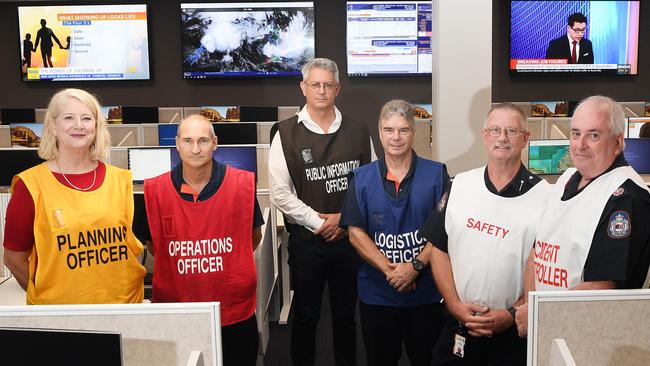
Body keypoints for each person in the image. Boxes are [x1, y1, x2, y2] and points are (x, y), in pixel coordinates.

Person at [419, 103, 551, 365]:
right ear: (484, 136)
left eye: (512, 131)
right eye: (495, 130)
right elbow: (438, 249)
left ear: (525, 139)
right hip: (458, 328)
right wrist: (455, 305)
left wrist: (512, 314)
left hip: (512, 337)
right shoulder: (459, 185)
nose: (502, 137)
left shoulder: (546, 197)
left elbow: (544, 267)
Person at [268, 57, 375, 366]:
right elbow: (280, 193)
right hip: (307, 242)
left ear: (337, 88)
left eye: (328, 85)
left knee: (345, 315)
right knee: (305, 315)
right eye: (315, 84)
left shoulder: (358, 130)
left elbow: (368, 184)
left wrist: (344, 219)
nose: (322, 91)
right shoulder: (284, 133)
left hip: (349, 238)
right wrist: (318, 221)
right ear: (303, 88)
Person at [515, 96, 650, 337]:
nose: (581, 144)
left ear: (618, 142)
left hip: (587, 338)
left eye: (594, 135)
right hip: (546, 330)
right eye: (576, 133)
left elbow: (602, 288)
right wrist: (529, 305)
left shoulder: (626, 198)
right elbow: (537, 253)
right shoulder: (566, 179)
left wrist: (537, 313)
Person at [2, 88, 146, 304]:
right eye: (68, 117)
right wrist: (48, 296)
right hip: (63, 317)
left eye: (87, 118)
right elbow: (14, 259)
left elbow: (132, 249)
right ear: (52, 126)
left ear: (96, 126)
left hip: (123, 308)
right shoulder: (30, 185)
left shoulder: (120, 180)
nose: (79, 125)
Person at [142, 114, 263, 366]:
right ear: (176, 144)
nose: (195, 149)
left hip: (234, 312)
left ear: (215, 143)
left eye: (202, 140)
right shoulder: (154, 191)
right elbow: (154, 247)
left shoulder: (242, 185)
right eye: (187, 140)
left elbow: (252, 237)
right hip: (177, 311)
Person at [340, 99, 447, 366]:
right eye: (389, 130)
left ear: (413, 131)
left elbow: (444, 230)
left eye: (403, 130)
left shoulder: (437, 175)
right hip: (378, 297)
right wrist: (392, 272)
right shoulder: (361, 179)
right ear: (379, 132)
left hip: (425, 296)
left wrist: (415, 267)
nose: (396, 137)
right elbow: (355, 233)